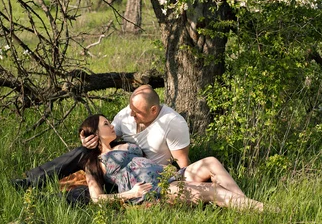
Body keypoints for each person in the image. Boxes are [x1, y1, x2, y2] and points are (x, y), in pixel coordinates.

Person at [13, 85, 190, 190]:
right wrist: (88, 140)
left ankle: (50, 197)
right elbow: (107, 137)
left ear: (153, 110)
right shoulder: (125, 115)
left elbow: (183, 162)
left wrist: (184, 185)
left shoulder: (172, 122)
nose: (131, 115)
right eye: (131, 109)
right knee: (83, 152)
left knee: (84, 192)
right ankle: (31, 182)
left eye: (137, 113)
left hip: (145, 174)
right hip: (117, 166)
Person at [79, 114, 263, 210]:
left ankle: (246, 206)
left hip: (169, 175)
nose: (112, 125)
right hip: (152, 190)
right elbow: (97, 199)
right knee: (213, 191)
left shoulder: (124, 143)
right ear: (95, 133)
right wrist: (129, 194)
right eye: (105, 124)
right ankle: (268, 211)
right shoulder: (93, 163)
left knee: (211, 162)